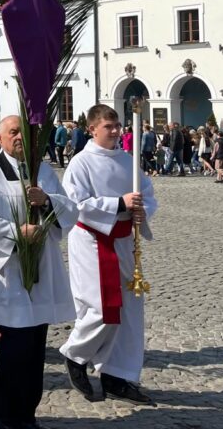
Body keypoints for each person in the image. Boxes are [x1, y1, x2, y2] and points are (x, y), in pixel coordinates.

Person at [0, 114, 77, 429]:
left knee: (35, 347)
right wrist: (17, 233)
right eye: (12, 132)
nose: (19, 138)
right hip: (9, 273)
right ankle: (2, 410)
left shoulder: (42, 171)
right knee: (15, 345)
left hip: (40, 269)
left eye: (23, 133)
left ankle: (26, 411)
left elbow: (70, 209)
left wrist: (48, 200)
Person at [60, 104, 158, 406]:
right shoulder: (81, 163)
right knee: (102, 307)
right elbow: (76, 204)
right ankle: (75, 354)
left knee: (128, 311)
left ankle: (117, 376)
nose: (115, 131)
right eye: (108, 127)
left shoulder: (128, 161)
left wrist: (142, 210)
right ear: (92, 129)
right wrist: (119, 204)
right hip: (93, 241)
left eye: (117, 126)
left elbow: (147, 194)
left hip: (124, 241)